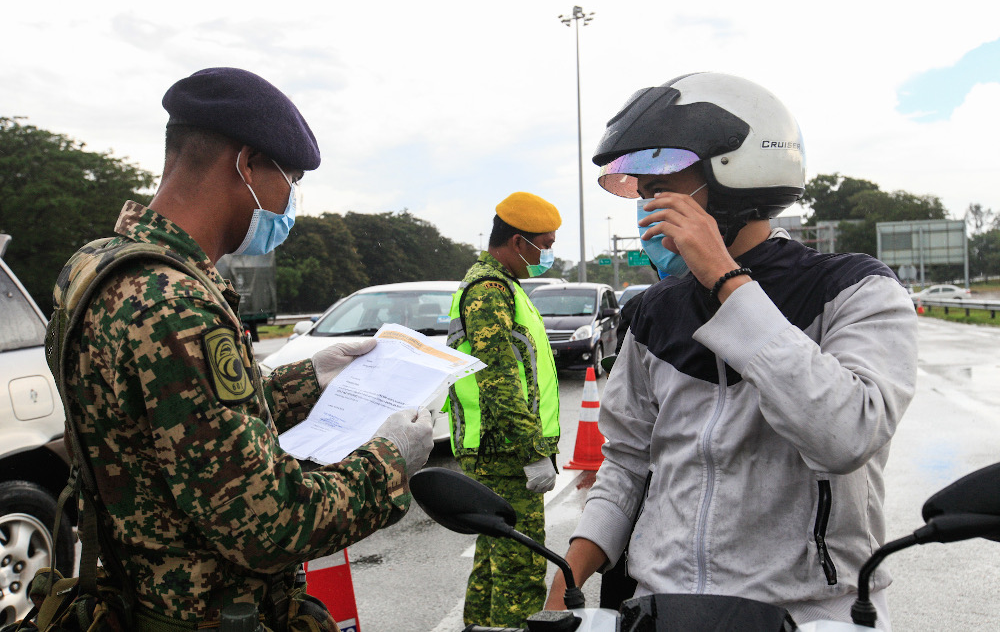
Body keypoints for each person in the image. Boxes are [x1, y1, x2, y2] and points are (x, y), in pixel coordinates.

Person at [47, 67, 434, 630]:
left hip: (131, 596)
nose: (290, 201)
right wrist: (390, 461)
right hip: (203, 613)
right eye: (291, 179)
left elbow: (174, 427)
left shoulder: (99, 265)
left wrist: (307, 379)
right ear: (246, 164)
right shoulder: (177, 306)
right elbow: (271, 525)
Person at [545, 72, 917, 629]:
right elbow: (625, 465)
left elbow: (846, 434)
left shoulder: (853, 289)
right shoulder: (652, 312)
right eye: (642, 190)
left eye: (663, 180)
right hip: (664, 607)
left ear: (736, 172)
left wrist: (725, 278)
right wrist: (567, 582)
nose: (649, 203)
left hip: (813, 611)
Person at [446, 192, 563, 627]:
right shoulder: (490, 291)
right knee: (520, 573)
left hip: (500, 448)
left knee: (492, 565)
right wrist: (532, 451)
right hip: (504, 452)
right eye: (544, 245)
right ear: (518, 243)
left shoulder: (503, 285)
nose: (548, 254)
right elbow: (497, 380)